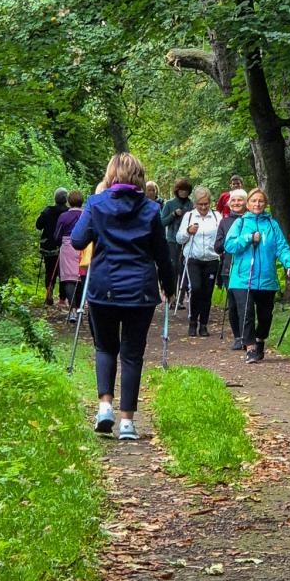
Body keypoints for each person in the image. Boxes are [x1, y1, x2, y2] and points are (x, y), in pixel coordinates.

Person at [70, 152, 175, 439]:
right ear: (139, 176)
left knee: (105, 348)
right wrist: (169, 284)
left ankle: (105, 406)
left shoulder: (96, 204)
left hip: (103, 288)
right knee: (132, 354)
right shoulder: (152, 210)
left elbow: (78, 239)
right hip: (140, 291)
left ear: (110, 175)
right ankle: (127, 422)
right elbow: (162, 255)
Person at [224, 188, 290, 362]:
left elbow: (282, 246)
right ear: (248, 204)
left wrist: (289, 264)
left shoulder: (272, 224)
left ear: (265, 204)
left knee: (265, 316)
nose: (257, 204)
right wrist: (247, 238)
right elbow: (229, 246)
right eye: (254, 201)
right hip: (242, 279)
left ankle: (260, 340)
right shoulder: (240, 223)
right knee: (246, 314)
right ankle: (250, 348)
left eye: (261, 201)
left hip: (266, 279)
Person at [176, 187, 220, 337]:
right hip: (192, 259)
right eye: (200, 204)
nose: (203, 207)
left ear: (210, 203)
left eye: (206, 204)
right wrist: (188, 231)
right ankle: (193, 321)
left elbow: (221, 237)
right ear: (195, 203)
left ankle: (204, 324)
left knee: (207, 293)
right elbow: (179, 238)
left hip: (211, 259)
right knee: (195, 288)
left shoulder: (216, 217)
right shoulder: (189, 216)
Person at [213, 188, 248, 350]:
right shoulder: (224, 222)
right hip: (229, 268)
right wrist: (230, 242)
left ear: (246, 202)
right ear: (229, 203)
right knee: (233, 305)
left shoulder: (251, 220)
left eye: (240, 200)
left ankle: (248, 336)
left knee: (245, 304)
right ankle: (238, 336)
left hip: (248, 268)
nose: (236, 203)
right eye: (233, 200)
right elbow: (217, 247)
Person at [161, 178, 193, 301]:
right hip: (172, 241)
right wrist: (173, 214)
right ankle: (171, 296)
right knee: (173, 268)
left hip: (187, 240)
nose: (183, 192)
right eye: (181, 190)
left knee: (184, 269)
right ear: (177, 191)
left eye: (186, 190)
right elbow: (162, 222)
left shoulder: (191, 204)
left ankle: (180, 298)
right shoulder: (169, 204)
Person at [36, 187, 69, 306]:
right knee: (63, 272)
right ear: (66, 199)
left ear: (55, 198)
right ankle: (62, 298)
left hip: (48, 246)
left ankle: (49, 291)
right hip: (63, 246)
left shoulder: (48, 211)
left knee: (49, 270)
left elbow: (38, 225)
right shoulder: (68, 212)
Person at [55, 190, 84, 323]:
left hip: (67, 247)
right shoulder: (86, 215)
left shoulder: (63, 216)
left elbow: (56, 236)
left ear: (69, 201)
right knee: (81, 277)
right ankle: (79, 308)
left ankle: (72, 310)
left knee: (68, 279)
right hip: (84, 247)